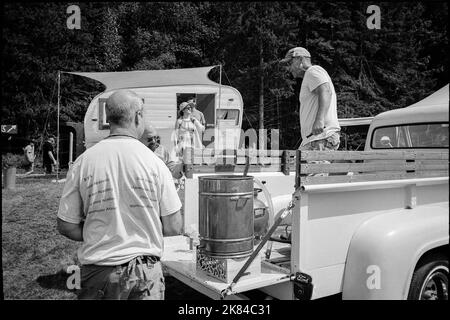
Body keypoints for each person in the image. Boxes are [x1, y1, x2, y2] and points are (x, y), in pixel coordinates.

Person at [57, 89, 182, 300]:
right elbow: (173, 226)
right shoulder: (155, 164)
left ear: (108, 118)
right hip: (145, 274)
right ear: (137, 116)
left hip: (98, 271)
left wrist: (100, 234)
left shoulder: (83, 162)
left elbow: (66, 225)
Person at [281, 47, 341, 152]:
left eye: (289, 63)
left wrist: (319, 120)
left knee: (305, 168)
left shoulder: (313, 71)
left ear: (300, 59)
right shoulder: (310, 75)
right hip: (315, 138)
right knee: (296, 166)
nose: (288, 68)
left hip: (321, 137)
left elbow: (325, 91)